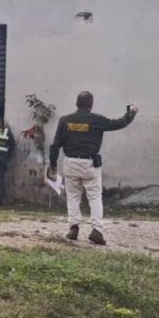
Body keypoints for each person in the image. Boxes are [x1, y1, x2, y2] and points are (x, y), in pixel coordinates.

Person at [48, 92, 139, 245]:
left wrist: (52, 165)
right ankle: (96, 230)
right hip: (90, 164)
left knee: (73, 196)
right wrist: (132, 112)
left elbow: (55, 145)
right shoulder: (97, 120)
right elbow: (119, 123)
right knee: (95, 196)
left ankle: (73, 228)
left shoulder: (65, 120)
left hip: (70, 162)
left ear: (77, 104)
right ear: (91, 104)